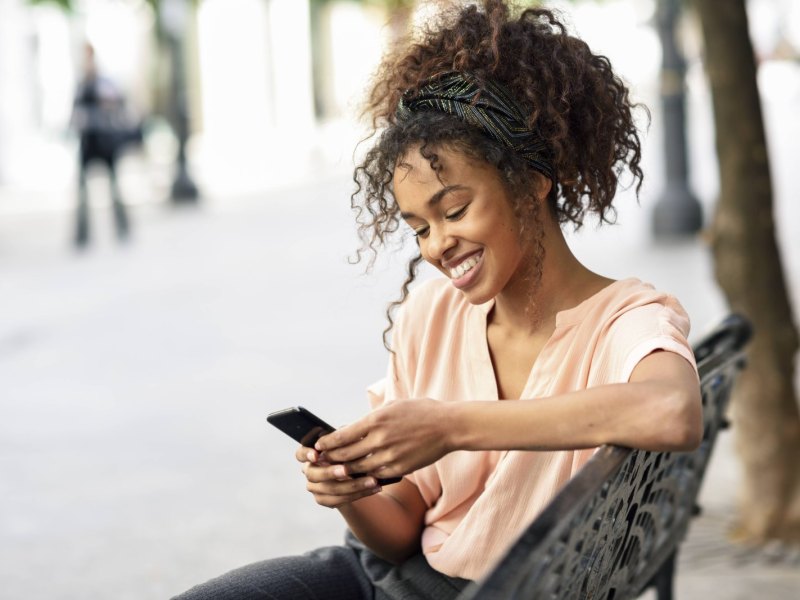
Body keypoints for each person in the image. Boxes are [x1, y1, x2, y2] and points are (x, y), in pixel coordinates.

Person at [174, 1, 702, 598]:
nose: (438, 246)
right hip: (382, 581)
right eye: (419, 228)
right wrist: (354, 494)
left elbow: (673, 412)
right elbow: (402, 531)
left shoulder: (624, 321)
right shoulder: (432, 315)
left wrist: (452, 426)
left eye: (454, 210)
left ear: (531, 181)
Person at [70, 43, 134, 247]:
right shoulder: (81, 84)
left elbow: (118, 105)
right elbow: (73, 114)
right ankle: (82, 236)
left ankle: (123, 230)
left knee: (115, 189)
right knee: (82, 193)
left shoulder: (105, 82)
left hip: (106, 142)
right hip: (87, 143)